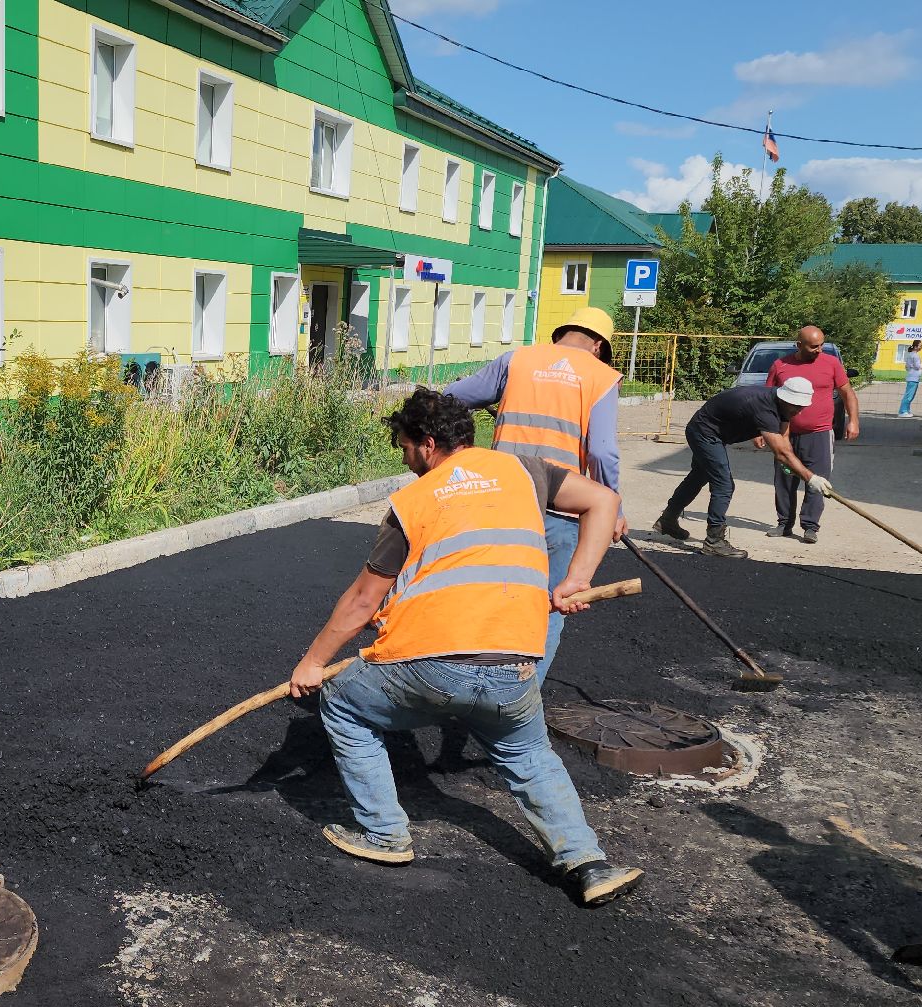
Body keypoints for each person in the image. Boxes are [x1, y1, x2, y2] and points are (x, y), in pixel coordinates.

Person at [287, 389, 643, 907]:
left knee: (342, 704)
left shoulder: (413, 503)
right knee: (528, 753)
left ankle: (385, 834)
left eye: (405, 448)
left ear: (427, 444)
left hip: (427, 664)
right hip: (516, 663)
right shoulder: (525, 471)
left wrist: (313, 662)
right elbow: (604, 500)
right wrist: (576, 579)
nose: (406, 461)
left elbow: (363, 600)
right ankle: (589, 863)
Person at [444, 305, 623, 687]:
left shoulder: (517, 359)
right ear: (598, 346)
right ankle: (520, 699)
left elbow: (452, 398)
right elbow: (602, 452)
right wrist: (612, 505)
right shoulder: (601, 376)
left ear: (560, 334)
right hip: (560, 508)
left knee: (489, 595)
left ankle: (468, 684)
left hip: (498, 499)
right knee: (549, 604)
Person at [654, 377, 827, 558]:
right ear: (785, 398)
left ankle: (667, 520)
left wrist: (791, 466)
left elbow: (783, 441)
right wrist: (810, 478)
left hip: (712, 432)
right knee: (724, 485)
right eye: (797, 407)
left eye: (802, 407)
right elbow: (781, 453)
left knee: (698, 477)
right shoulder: (765, 407)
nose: (799, 411)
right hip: (704, 433)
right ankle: (714, 541)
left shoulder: (783, 406)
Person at [762, 325, 857, 544]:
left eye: (822, 345)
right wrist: (761, 431)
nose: (819, 350)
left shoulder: (832, 364)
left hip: (820, 434)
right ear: (799, 345)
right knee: (784, 480)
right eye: (814, 346)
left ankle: (810, 526)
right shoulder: (780, 365)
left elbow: (847, 393)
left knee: (818, 481)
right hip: (785, 433)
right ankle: (784, 523)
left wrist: (853, 420)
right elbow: (767, 399)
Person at [897, 341, 922, 418]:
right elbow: (917, 366)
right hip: (913, 377)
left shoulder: (909, 354)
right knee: (909, 395)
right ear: (915, 347)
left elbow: (907, 366)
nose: (921, 347)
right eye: (920, 346)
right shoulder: (915, 356)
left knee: (910, 395)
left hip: (912, 376)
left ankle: (907, 410)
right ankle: (903, 411)